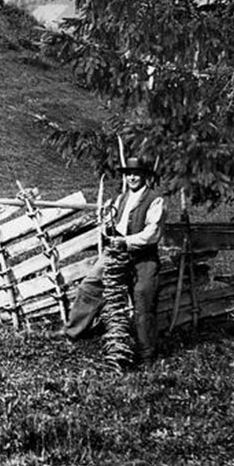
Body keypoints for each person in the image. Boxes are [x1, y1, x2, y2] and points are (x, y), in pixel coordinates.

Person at [64, 154, 166, 363]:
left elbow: (152, 234)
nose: (132, 178)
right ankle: (73, 331)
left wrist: (126, 241)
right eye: (129, 174)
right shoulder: (121, 199)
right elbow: (112, 224)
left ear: (145, 176)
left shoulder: (155, 199)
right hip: (117, 252)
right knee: (90, 285)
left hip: (143, 256)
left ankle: (146, 351)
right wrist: (107, 227)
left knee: (143, 296)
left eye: (136, 174)